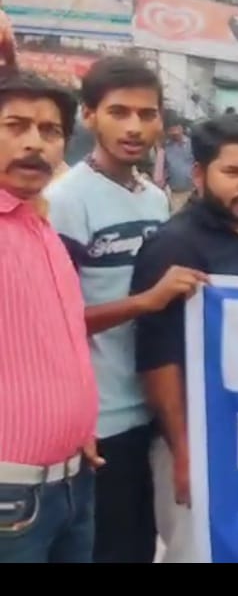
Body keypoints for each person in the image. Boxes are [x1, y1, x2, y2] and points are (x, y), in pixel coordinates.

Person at [45, 56, 205, 563]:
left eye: (146, 114)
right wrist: (146, 301)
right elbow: (49, 322)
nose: (134, 127)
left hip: (150, 412)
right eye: (119, 112)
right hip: (98, 422)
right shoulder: (64, 201)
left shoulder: (155, 199)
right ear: (89, 115)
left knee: (140, 548)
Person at [130, 113, 238, 563]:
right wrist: (184, 450)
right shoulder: (174, 245)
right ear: (199, 174)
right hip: (193, 437)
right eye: (232, 172)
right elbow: (158, 359)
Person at [0, 66, 102, 563]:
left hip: (71, 484)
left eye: (50, 131)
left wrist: (78, 426)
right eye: (15, 126)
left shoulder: (40, 227)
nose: (34, 143)